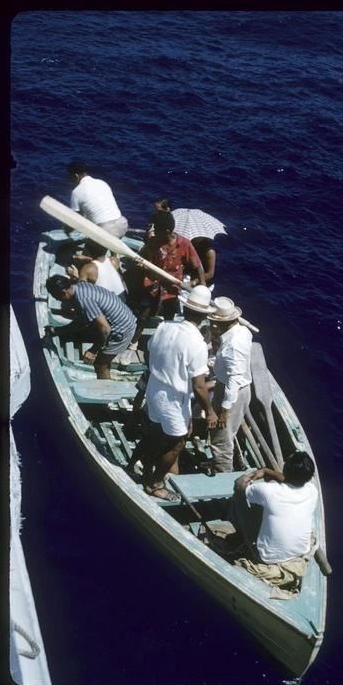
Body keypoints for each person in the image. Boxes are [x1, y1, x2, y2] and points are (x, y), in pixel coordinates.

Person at [134, 285, 218, 501]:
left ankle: (146, 474)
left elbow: (149, 349)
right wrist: (209, 411)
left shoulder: (164, 326)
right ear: (204, 316)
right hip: (173, 400)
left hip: (154, 390)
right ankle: (156, 484)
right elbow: (199, 385)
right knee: (177, 442)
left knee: (154, 433)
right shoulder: (197, 343)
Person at [119, 210, 205, 365]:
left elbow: (197, 266)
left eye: (156, 231)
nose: (153, 234)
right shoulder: (153, 243)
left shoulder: (184, 244)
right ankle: (132, 346)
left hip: (171, 289)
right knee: (143, 316)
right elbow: (146, 262)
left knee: (169, 320)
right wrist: (142, 266)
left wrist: (202, 287)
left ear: (166, 232)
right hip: (152, 285)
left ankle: (165, 347)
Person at [227, 451, 318, 564]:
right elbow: (290, 481)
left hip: (265, 556)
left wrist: (250, 477)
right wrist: (267, 471)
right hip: (300, 552)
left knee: (239, 496)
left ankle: (238, 531)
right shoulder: (313, 491)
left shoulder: (269, 491)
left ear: (285, 470)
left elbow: (239, 484)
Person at [44, 275, 136, 379]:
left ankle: (105, 392)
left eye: (57, 297)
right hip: (126, 318)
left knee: (100, 365)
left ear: (64, 292)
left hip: (122, 330)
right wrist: (57, 331)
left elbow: (105, 330)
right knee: (104, 359)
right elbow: (82, 320)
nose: (59, 300)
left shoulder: (84, 299)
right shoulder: (80, 286)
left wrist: (93, 350)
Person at [207, 297, 252, 473]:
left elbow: (234, 379)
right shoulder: (243, 331)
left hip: (232, 393)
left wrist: (224, 411)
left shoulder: (233, 345)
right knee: (225, 434)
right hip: (228, 387)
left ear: (217, 324)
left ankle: (222, 474)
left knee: (221, 438)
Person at [64, 161, 128, 260]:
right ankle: (114, 260)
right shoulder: (102, 183)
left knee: (87, 261)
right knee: (112, 245)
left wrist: (67, 231)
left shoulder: (76, 192)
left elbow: (74, 218)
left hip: (105, 231)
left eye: (71, 178)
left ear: (76, 176)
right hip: (122, 225)